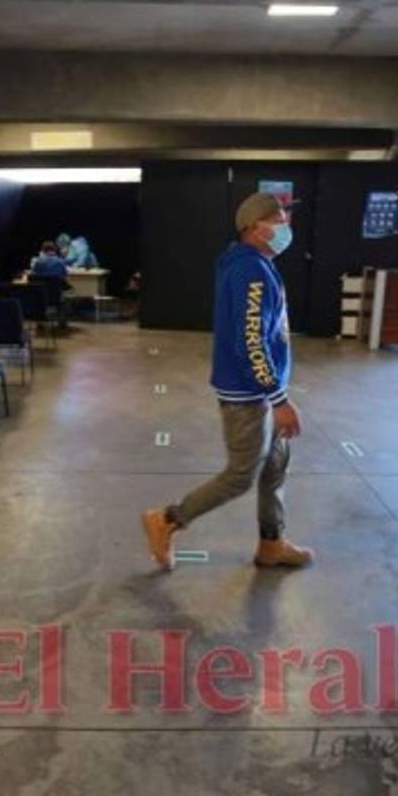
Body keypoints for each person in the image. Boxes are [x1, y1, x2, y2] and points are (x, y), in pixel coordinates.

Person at [142, 192, 314, 571]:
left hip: (260, 390)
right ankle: (167, 519)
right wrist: (279, 398)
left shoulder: (256, 265)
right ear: (255, 227)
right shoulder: (249, 270)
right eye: (280, 218)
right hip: (249, 394)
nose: (287, 225)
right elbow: (250, 341)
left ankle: (272, 543)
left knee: (275, 465)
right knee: (240, 476)